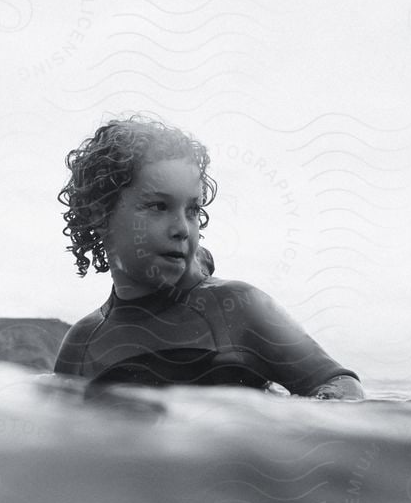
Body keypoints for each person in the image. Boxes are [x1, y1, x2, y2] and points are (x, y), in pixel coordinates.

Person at [52, 115, 365, 400]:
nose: (182, 229)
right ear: (99, 215)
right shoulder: (81, 345)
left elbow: (342, 386)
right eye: (159, 206)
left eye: (192, 210)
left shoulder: (238, 308)